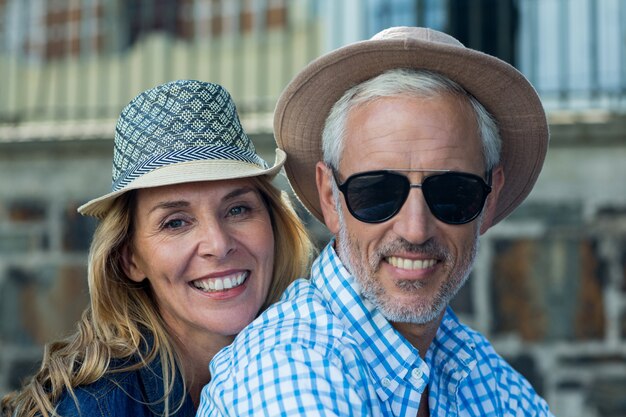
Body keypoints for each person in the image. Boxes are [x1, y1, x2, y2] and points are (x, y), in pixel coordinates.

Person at [198, 27, 554, 416]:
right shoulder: (288, 371)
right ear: (331, 196)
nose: (415, 228)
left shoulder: (474, 365)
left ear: (491, 199)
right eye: (378, 192)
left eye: (452, 192)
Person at [1, 80, 313, 417]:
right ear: (129, 259)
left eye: (237, 210)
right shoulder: (94, 407)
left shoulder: (314, 356)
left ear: (273, 223)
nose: (218, 245)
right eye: (176, 222)